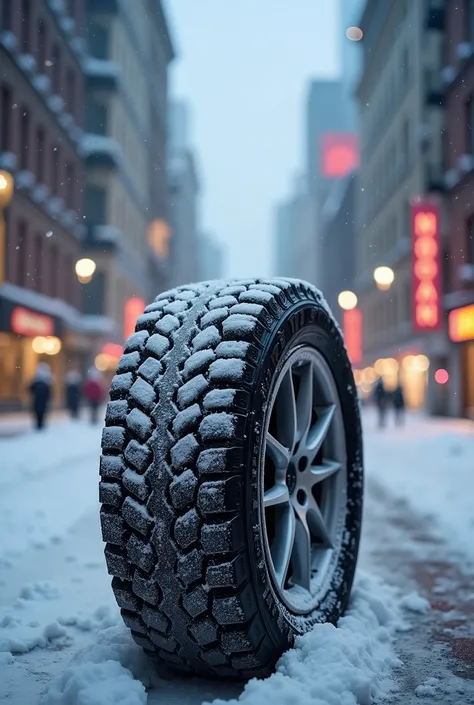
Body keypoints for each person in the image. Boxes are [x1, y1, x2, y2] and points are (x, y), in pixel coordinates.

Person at [29, 362, 53, 430]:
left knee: (39, 414)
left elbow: (30, 389)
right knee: (40, 414)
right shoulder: (45, 384)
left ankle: (39, 425)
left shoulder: (37, 383)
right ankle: (40, 425)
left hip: (38, 402)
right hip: (40, 402)